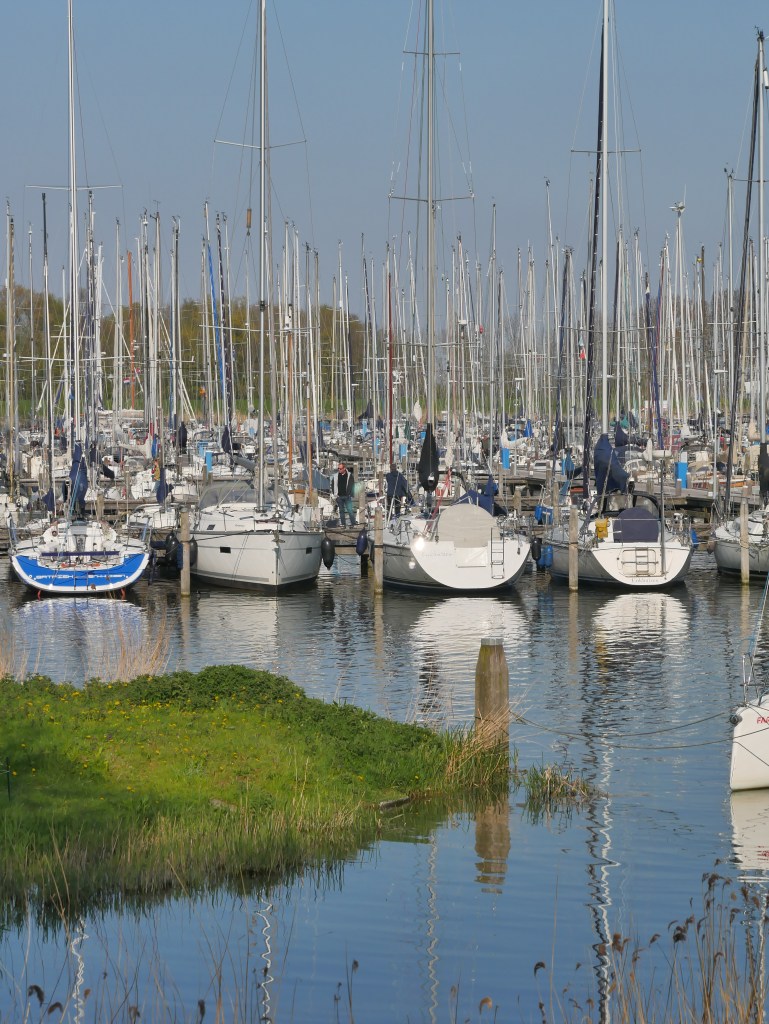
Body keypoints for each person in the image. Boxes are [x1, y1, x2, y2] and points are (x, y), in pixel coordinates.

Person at [333, 461, 355, 527]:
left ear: (344, 468)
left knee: (350, 510)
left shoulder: (349, 475)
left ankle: (353, 524)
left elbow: (352, 485)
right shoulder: (336, 476)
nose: (339, 470)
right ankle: (343, 524)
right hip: (339, 496)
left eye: (340, 468)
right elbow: (333, 485)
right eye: (338, 468)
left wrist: (351, 494)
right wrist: (335, 495)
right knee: (341, 511)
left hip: (347, 496)